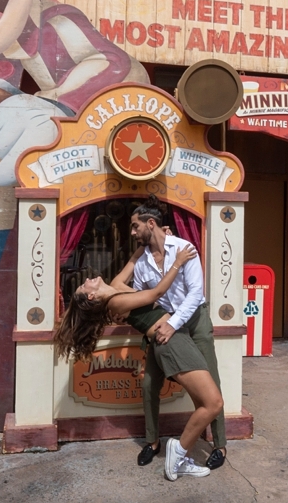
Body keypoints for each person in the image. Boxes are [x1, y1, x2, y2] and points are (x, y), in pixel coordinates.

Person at [56, 244, 223, 481]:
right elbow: (155, 294)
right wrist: (179, 261)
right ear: (92, 296)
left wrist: (145, 246)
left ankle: (181, 454)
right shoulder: (115, 303)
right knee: (213, 403)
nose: (87, 280)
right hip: (170, 342)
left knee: (205, 401)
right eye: (85, 286)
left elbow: (130, 266)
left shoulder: (115, 290)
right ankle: (179, 451)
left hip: (175, 337)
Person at [113, 198, 227, 472]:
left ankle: (220, 444)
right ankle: (152, 442)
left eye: (134, 226)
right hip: (164, 324)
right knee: (150, 384)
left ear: (150, 224)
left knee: (211, 379)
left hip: (194, 321)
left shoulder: (185, 249)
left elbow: (195, 294)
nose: (132, 232)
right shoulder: (141, 262)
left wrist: (173, 324)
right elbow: (144, 297)